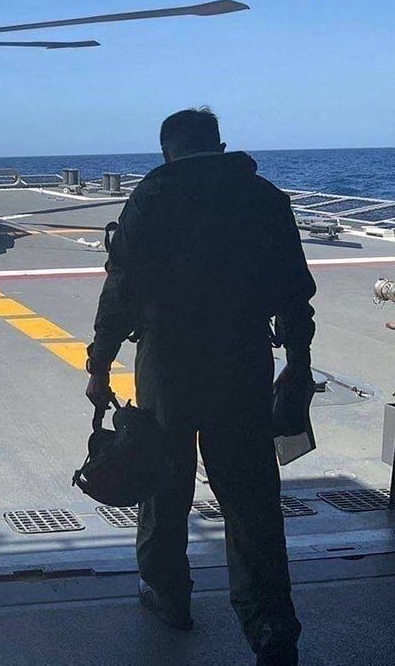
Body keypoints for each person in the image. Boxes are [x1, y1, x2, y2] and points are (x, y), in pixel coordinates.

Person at [84, 108, 316, 665]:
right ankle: (270, 630)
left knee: (164, 483)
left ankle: (169, 595)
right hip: (242, 361)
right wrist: (300, 367)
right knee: (251, 498)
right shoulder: (265, 199)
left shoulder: (152, 199)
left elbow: (120, 292)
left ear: (168, 151)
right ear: (219, 144)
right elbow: (294, 296)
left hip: (168, 363)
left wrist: (100, 364)